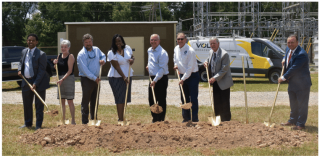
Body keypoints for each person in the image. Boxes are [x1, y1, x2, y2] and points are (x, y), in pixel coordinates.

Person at [278, 35, 312, 130]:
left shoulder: (301, 54)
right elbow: (287, 57)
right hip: (293, 82)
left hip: (302, 84)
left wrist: (283, 77)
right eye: (288, 42)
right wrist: (284, 60)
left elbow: (294, 68)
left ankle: (300, 124)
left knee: (302, 104)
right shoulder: (288, 50)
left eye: (292, 42)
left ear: (297, 42)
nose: (290, 44)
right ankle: (293, 120)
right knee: (293, 103)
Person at [17, 33, 50, 130]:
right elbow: (20, 62)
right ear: (27, 41)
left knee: (39, 105)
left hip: (38, 83)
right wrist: (19, 70)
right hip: (26, 82)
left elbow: (42, 71)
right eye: (29, 40)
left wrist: (35, 83)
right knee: (27, 104)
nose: (30, 42)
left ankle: (38, 125)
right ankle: (27, 123)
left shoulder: (41, 54)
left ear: (36, 42)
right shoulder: (24, 52)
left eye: (33, 40)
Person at [77, 33, 106, 124]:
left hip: (96, 79)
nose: (88, 43)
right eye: (86, 42)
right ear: (83, 43)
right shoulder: (81, 54)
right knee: (86, 100)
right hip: (87, 80)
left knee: (95, 99)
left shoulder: (97, 50)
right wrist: (94, 78)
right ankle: (85, 121)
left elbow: (103, 55)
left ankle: (93, 119)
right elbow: (84, 70)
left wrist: (103, 60)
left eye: (89, 41)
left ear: (92, 42)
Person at [204, 37, 234, 122]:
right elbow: (208, 59)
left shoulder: (224, 54)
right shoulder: (211, 52)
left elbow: (224, 69)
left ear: (218, 43)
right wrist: (206, 62)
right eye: (211, 44)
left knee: (224, 102)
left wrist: (214, 78)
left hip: (224, 82)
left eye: (214, 43)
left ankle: (226, 120)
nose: (212, 45)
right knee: (216, 101)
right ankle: (218, 119)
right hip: (215, 82)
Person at [107, 34, 134, 123]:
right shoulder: (111, 53)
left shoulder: (127, 48)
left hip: (128, 75)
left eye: (119, 41)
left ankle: (123, 117)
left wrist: (132, 60)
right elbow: (116, 67)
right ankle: (120, 119)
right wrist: (124, 77)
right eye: (116, 42)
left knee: (125, 98)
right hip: (116, 77)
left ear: (122, 41)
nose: (118, 43)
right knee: (119, 98)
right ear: (113, 43)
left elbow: (132, 57)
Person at [173, 32, 200, 123]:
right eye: (178, 39)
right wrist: (176, 65)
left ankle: (195, 118)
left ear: (185, 39)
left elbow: (190, 68)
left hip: (192, 76)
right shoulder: (176, 48)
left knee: (193, 98)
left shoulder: (190, 51)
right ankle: (186, 118)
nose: (180, 41)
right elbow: (175, 59)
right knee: (184, 98)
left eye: (182, 39)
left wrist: (183, 79)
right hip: (182, 75)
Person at [146, 34, 169, 123]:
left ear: (159, 41)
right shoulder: (149, 50)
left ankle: (161, 119)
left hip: (161, 78)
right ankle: (154, 118)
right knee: (151, 99)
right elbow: (152, 62)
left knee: (161, 99)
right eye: (152, 40)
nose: (153, 42)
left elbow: (162, 69)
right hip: (152, 78)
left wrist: (155, 80)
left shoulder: (163, 53)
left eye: (155, 40)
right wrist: (149, 66)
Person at [53, 40, 76, 125]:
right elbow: (57, 68)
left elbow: (70, 70)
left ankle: (73, 120)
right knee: (62, 100)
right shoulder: (59, 56)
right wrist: (55, 63)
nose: (63, 48)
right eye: (62, 47)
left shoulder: (71, 56)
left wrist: (62, 79)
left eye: (65, 47)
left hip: (68, 79)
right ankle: (63, 119)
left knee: (70, 101)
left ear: (69, 48)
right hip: (60, 79)